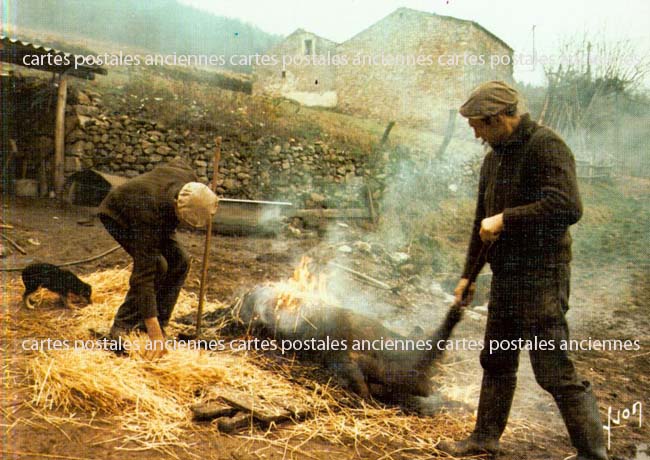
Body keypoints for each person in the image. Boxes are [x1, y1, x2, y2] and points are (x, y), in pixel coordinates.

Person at [439, 81, 608, 459]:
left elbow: (567, 206)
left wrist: (507, 219)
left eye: (479, 126)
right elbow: (481, 224)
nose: (477, 134)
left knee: (553, 369)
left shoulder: (546, 146)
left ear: (498, 118)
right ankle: (484, 439)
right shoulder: (494, 158)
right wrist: (469, 275)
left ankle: (593, 453)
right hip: (507, 278)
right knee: (497, 358)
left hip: (542, 277)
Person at [97, 158, 218, 360]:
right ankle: (122, 326)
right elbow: (142, 276)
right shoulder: (148, 213)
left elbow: (176, 163)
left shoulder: (191, 182)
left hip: (159, 211)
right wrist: (154, 335)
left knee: (181, 261)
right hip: (119, 214)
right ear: (174, 205)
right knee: (158, 266)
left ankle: (161, 321)